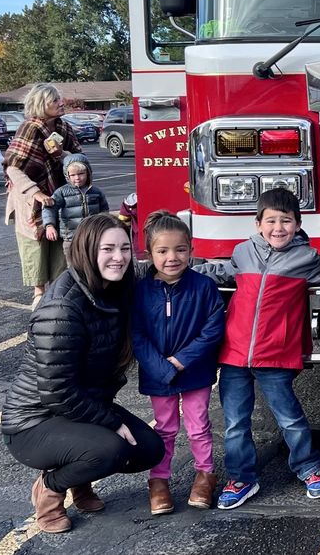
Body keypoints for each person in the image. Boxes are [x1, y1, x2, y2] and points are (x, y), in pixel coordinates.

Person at [1, 213, 164, 533]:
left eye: (125, 248)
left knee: (149, 449)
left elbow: (166, 266)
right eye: (108, 249)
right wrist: (112, 422)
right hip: (34, 421)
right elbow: (57, 391)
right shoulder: (62, 308)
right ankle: (49, 489)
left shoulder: (116, 283)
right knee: (111, 449)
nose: (119, 257)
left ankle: (81, 479)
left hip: (81, 407)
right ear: (88, 250)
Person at [194, 187, 320, 509]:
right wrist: (178, 269)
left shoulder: (307, 259)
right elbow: (218, 271)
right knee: (235, 422)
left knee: (290, 418)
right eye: (270, 221)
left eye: (286, 221)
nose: (278, 228)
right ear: (257, 224)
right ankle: (242, 478)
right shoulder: (242, 253)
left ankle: (309, 467)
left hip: (276, 354)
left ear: (297, 224)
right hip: (235, 354)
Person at [132, 211, 225, 514]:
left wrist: (182, 360)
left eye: (180, 249)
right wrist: (162, 368)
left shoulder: (203, 286)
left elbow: (213, 329)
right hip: (159, 374)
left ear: (191, 250)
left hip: (194, 371)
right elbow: (137, 334)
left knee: (199, 426)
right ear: (149, 254)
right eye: (163, 251)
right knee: (165, 428)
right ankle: (158, 480)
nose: (172, 257)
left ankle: (205, 474)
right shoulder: (140, 291)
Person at [3, 83, 82, 307]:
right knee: (35, 243)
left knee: (59, 240)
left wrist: (62, 154)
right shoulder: (29, 128)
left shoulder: (64, 128)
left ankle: (57, 292)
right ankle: (38, 294)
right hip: (29, 198)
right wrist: (36, 193)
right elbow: (12, 167)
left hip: (59, 196)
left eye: (60, 99)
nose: (61, 102)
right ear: (41, 104)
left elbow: (80, 162)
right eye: (54, 100)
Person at [41, 153, 110, 257]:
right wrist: (49, 225)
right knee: (73, 266)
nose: (77, 178)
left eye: (81, 173)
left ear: (88, 173)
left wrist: (103, 227)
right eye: (72, 175)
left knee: (93, 263)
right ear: (67, 175)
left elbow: (104, 211)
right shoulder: (62, 192)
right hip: (71, 238)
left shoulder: (96, 192)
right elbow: (49, 208)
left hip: (92, 236)